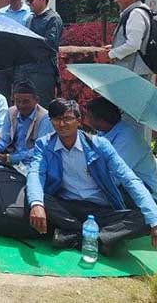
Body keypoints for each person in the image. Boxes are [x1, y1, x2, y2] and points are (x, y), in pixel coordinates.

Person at [27, 98, 157, 254]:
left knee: (146, 218)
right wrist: (37, 204)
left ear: (78, 121)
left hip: (100, 208)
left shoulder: (99, 144)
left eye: (67, 118)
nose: (61, 124)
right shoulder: (44, 144)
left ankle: (75, 236)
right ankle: (98, 238)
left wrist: (154, 220)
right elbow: (35, 173)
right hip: (67, 205)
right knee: (37, 198)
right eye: (56, 119)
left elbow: (130, 179)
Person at [86, 97, 157, 201]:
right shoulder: (105, 131)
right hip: (124, 188)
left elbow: (114, 178)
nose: (86, 120)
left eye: (89, 116)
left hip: (145, 194)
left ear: (101, 121)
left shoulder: (128, 139)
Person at [0, 80, 53, 168]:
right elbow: (3, 140)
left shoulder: (44, 118)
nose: (21, 105)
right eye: (17, 101)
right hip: (10, 159)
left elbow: (39, 150)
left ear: (36, 100)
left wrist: (10, 158)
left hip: (33, 163)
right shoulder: (11, 112)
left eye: (26, 101)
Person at [16, 0, 63, 105]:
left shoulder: (53, 19)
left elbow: (50, 44)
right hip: (25, 71)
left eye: (31, 1)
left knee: (42, 105)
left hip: (42, 72)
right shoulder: (30, 19)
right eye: (27, 1)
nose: (29, 4)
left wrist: (30, 43)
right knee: (23, 105)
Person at [107, 0, 152, 78]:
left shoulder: (136, 14)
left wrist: (111, 54)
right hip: (136, 70)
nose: (116, 0)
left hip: (133, 71)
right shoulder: (142, 11)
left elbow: (133, 45)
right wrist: (115, 46)